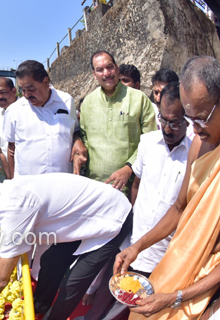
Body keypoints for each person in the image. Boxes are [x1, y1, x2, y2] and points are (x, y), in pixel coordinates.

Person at [115, 56, 220, 320]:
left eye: (201, 119)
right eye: (191, 119)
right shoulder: (200, 144)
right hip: (178, 260)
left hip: (208, 280)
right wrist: (137, 246)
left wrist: (177, 297)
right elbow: (179, 207)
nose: (194, 128)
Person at [79, 82, 191, 320]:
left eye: (176, 122)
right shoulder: (148, 142)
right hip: (135, 238)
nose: (168, 129)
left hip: (166, 249)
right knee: (113, 293)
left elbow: (182, 207)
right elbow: (138, 182)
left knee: (141, 307)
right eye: (163, 119)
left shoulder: (196, 154)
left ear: (188, 119)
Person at [0, 173, 132, 320]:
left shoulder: (15, 207)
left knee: (73, 283)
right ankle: (39, 306)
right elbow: (0, 234)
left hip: (112, 216)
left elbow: (0, 279)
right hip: (85, 214)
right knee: (51, 259)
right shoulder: (7, 192)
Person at [80, 51, 157, 193]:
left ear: (117, 68)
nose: (106, 73)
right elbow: (84, 138)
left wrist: (129, 168)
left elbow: (151, 140)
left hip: (129, 187)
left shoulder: (139, 99)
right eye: (100, 70)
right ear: (94, 74)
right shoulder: (88, 102)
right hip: (94, 188)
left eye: (109, 67)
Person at [3, 60, 87, 178]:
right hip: (28, 187)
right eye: (23, 90)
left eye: (31, 89)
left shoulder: (67, 101)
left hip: (62, 183)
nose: (26, 95)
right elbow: (11, 149)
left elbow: (74, 129)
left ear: (46, 82)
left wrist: (78, 140)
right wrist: (13, 184)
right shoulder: (13, 111)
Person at [0, 77, 17, 179]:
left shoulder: (29, 109)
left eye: (3, 92)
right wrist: (9, 179)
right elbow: (2, 152)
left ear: (14, 91)